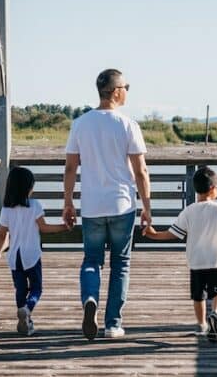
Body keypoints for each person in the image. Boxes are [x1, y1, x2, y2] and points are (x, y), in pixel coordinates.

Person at [62, 69, 152, 340]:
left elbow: (69, 168)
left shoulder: (80, 124)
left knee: (92, 260)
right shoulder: (127, 125)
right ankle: (113, 324)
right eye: (126, 86)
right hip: (122, 205)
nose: (127, 91)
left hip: (91, 206)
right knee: (121, 263)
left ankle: (90, 298)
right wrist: (147, 207)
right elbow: (141, 171)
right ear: (116, 92)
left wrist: (68, 202)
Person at [143, 167, 217, 342]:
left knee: (198, 295)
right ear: (213, 189)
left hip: (196, 261)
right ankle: (215, 314)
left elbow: (173, 233)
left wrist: (154, 234)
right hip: (216, 260)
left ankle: (202, 324)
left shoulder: (189, 211)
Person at [0, 167, 71, 336]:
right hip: (31, 255)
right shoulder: (35, 206)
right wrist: (63, 227)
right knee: (36, 288)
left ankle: (24, 318)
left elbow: (2, 235)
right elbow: (44, 228)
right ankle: (27, 309)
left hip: (14, 257)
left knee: (20, 289)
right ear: (28, 188)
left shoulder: (6, 209)